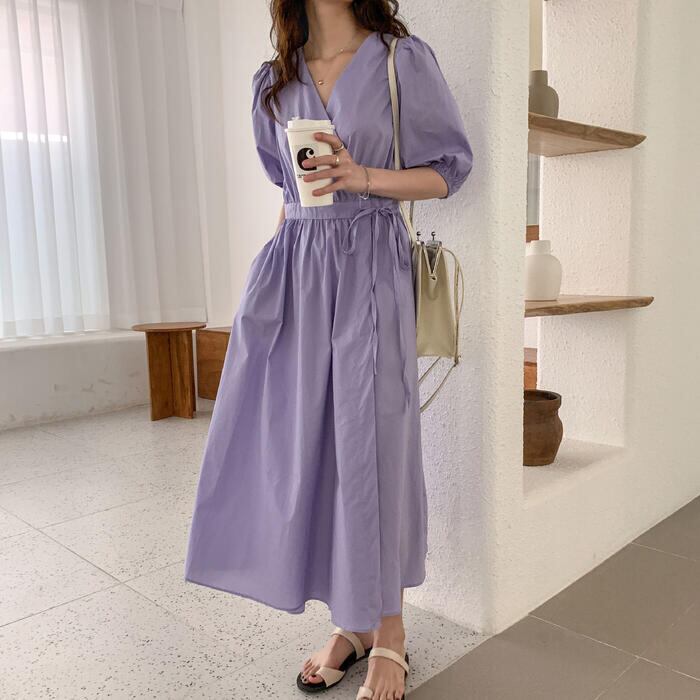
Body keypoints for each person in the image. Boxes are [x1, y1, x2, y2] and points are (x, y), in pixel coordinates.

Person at [184, 1, 473, 698]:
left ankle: (389, 628)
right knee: (306, 446)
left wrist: (363, 176)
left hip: (370, 262)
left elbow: (449, 170)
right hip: (295, 269)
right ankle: (352, 621)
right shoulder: (274, 81)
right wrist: (270, 290)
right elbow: (288, 190)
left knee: (372, 445)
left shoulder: (402, 61)